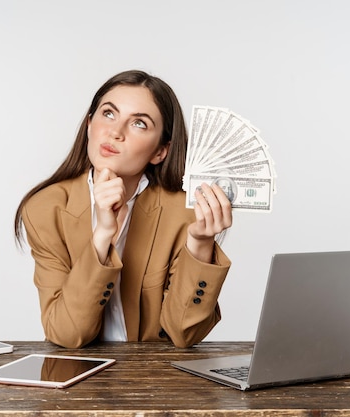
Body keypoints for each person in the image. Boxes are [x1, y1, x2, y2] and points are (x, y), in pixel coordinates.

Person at [14, 70, 233, 349]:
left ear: (160, 152)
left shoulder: (183, 212)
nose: (115, 132)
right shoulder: (46, 209)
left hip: (155, 381)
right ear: (89, 125)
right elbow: (67, 334)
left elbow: (183, 333)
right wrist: (103, 236)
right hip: (75, 379)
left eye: (139, 124)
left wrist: (201, 243)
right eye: (108, 114)